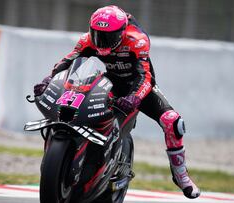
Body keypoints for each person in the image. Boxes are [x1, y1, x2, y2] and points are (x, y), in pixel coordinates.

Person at [34, 5, 200, 199]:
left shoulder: (137, 40)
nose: (101, 41)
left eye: (109, 36)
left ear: (122, 32)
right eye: (98, 34)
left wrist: (134, 98)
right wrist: (47, 80)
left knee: (173, 122)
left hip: (136, 88)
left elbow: (145, 76)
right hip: (107, 85)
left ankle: (181, 176)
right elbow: (68, 61)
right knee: (70, 105)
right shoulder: (86, 40)